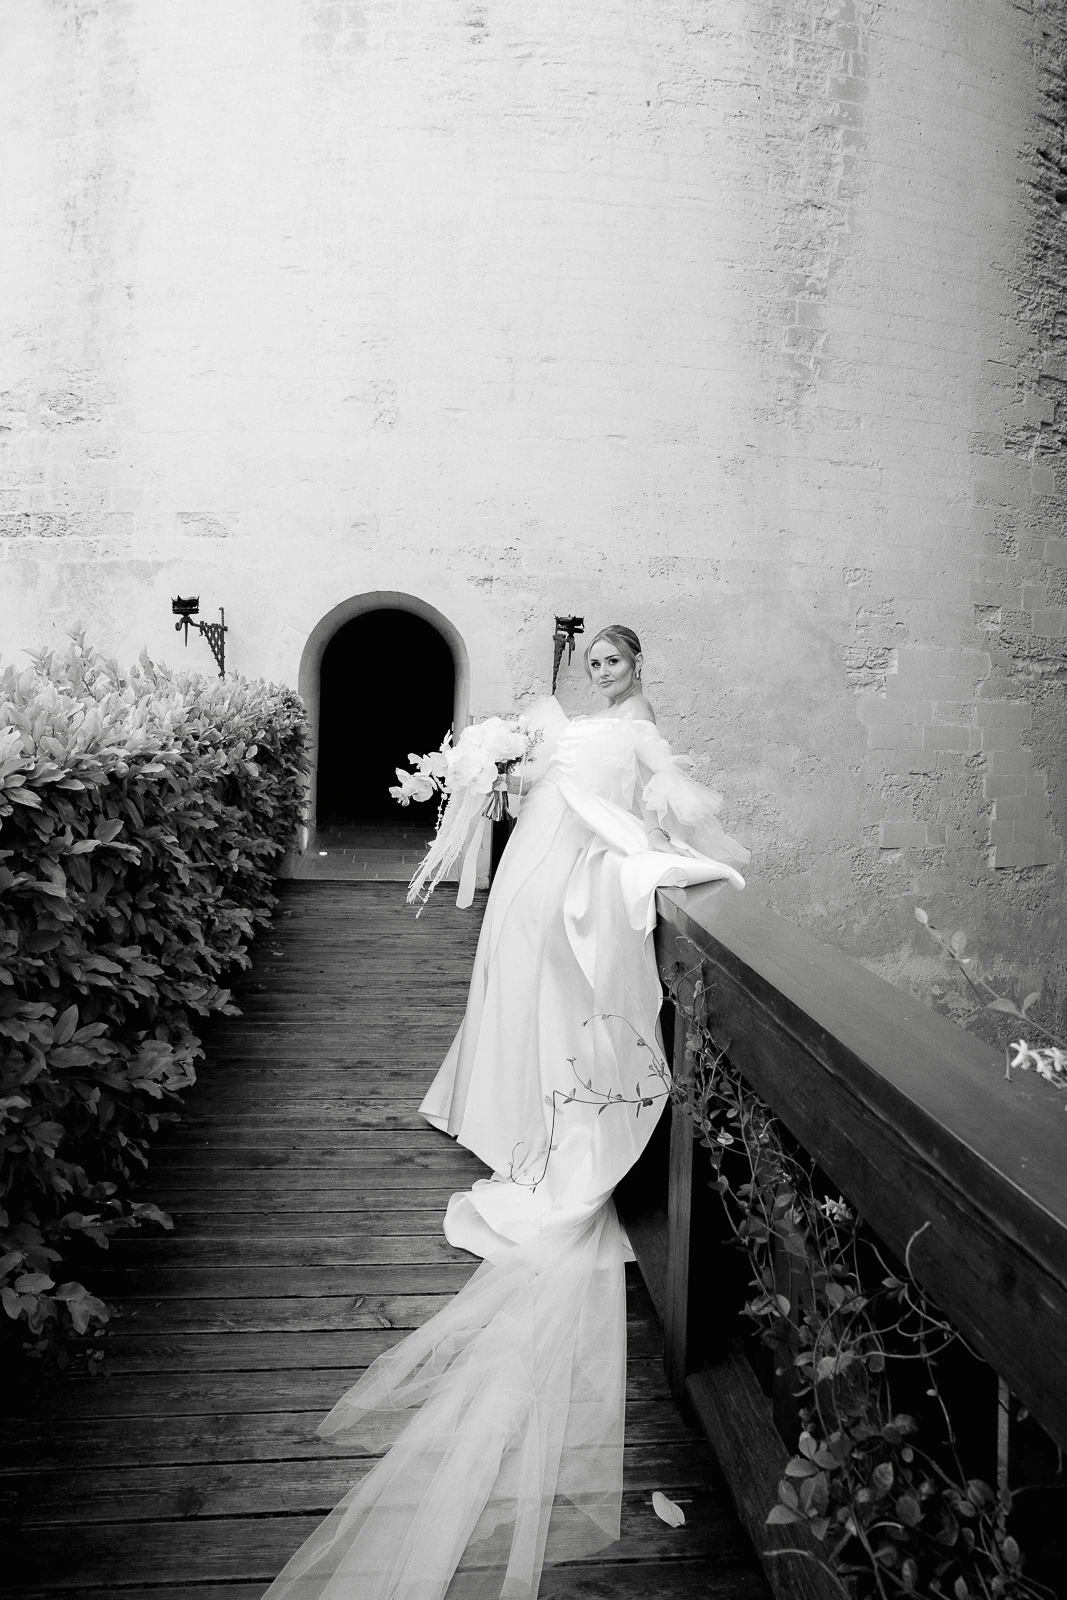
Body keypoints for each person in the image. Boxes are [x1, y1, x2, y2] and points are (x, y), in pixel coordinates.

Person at [262, 624, 749, 1600]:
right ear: (582, 667)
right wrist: (501, 768)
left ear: (637, 669)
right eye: (594, 661)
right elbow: (536, 779)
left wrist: (657, 841)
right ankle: (490, 1102)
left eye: (615, 662)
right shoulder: (557, 718)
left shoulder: (639, 724)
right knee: (506, 977)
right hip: (533, 856)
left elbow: (651, 797)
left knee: (545, 990)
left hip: (575, 858)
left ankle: (534, 1117)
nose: (602, 671)